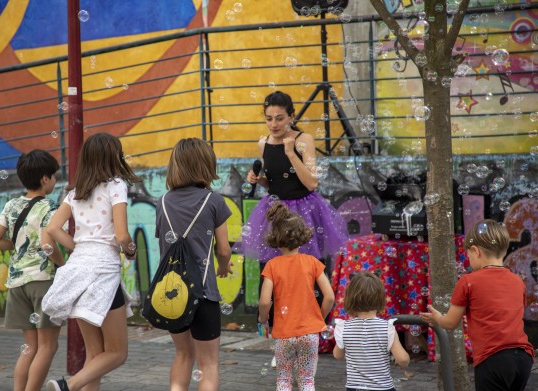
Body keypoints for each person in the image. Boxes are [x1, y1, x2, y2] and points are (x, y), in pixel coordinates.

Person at [235, 90, 348, 364]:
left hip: (305, 212)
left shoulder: (303, 140)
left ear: (292, 116)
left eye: (280, 118)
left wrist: (291, 153)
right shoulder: (263, 143)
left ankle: (309, 335)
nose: (274, 124)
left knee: (307, 276)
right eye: (269, 119)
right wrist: (259, 180)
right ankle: (281, 341)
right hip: (276, 212)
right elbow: (274, 182)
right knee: (274, 279)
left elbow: (311, 182)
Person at [41, 132, 142, 391]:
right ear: (113, 157)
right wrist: (130, 250)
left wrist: (79, 247)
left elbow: (53, 228)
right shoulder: (116, 185)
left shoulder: (75, 191)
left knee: (95, 355)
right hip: (103, 273)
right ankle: (68, 386)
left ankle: (70, 385)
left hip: (79, 268)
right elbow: (121, 235)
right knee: (117, 353)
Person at [420, 219, 534, 391]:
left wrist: (437, 319)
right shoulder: (518, 281)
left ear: (475, 251)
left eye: (468, 256)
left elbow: (451, 323)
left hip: (493, 359)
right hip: (523, 358)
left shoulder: (468, 281)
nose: (469, 260)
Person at [156, 138, 233, 391]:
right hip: (204, 293)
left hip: (171, 294)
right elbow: (223, 249)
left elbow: (165, 247)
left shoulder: (163, 201)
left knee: (182, 355)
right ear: (206, 164)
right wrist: (223, 266)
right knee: (208, 364)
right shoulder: (214, 201)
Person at [0, 149, 65, 391]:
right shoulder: (50, 207)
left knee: (29, 347)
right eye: (53, 176)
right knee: (48, 346)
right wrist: (64, 265)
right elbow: (48, 245)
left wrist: (17, 245)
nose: (55, 180)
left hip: (17, 283)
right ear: (44, 178)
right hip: (42, 281)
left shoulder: (11, 205)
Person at [258, 202, 335, 391]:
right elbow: (330, 297)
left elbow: (265, 301)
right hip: (310, 333)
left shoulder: (272, 265)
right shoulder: (313, 262)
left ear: (275, 237)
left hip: (284, 334)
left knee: (283, 380)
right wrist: (319, 318)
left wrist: (263, 319)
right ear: (302, 235)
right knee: (307, 380)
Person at [333, 271, 409, 391]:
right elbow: (403, 359)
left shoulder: (343, 327)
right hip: (382, 387)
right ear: (381, 298)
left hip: (354, 388)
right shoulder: (387, 327)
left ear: (349, 299)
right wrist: (402, 364)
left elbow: (337, 355)